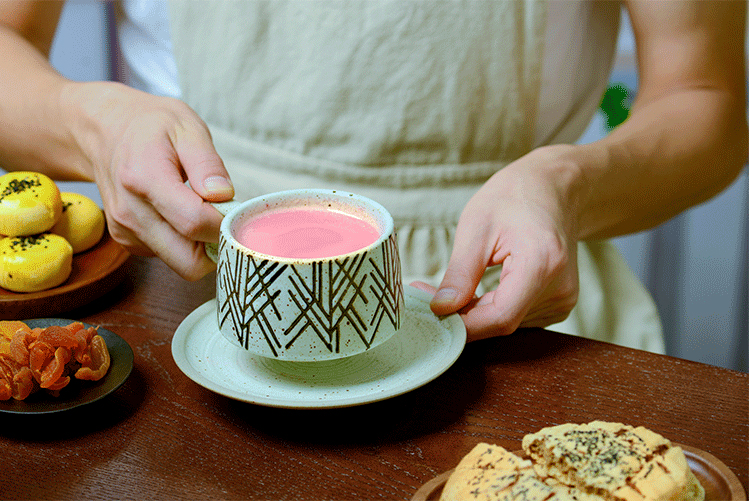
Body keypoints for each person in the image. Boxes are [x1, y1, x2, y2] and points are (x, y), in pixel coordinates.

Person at [0, 0, 746, 351]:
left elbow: (704, 97)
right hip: (193, 292)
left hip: (507, 302)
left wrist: (567, 185)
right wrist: (92, 125)